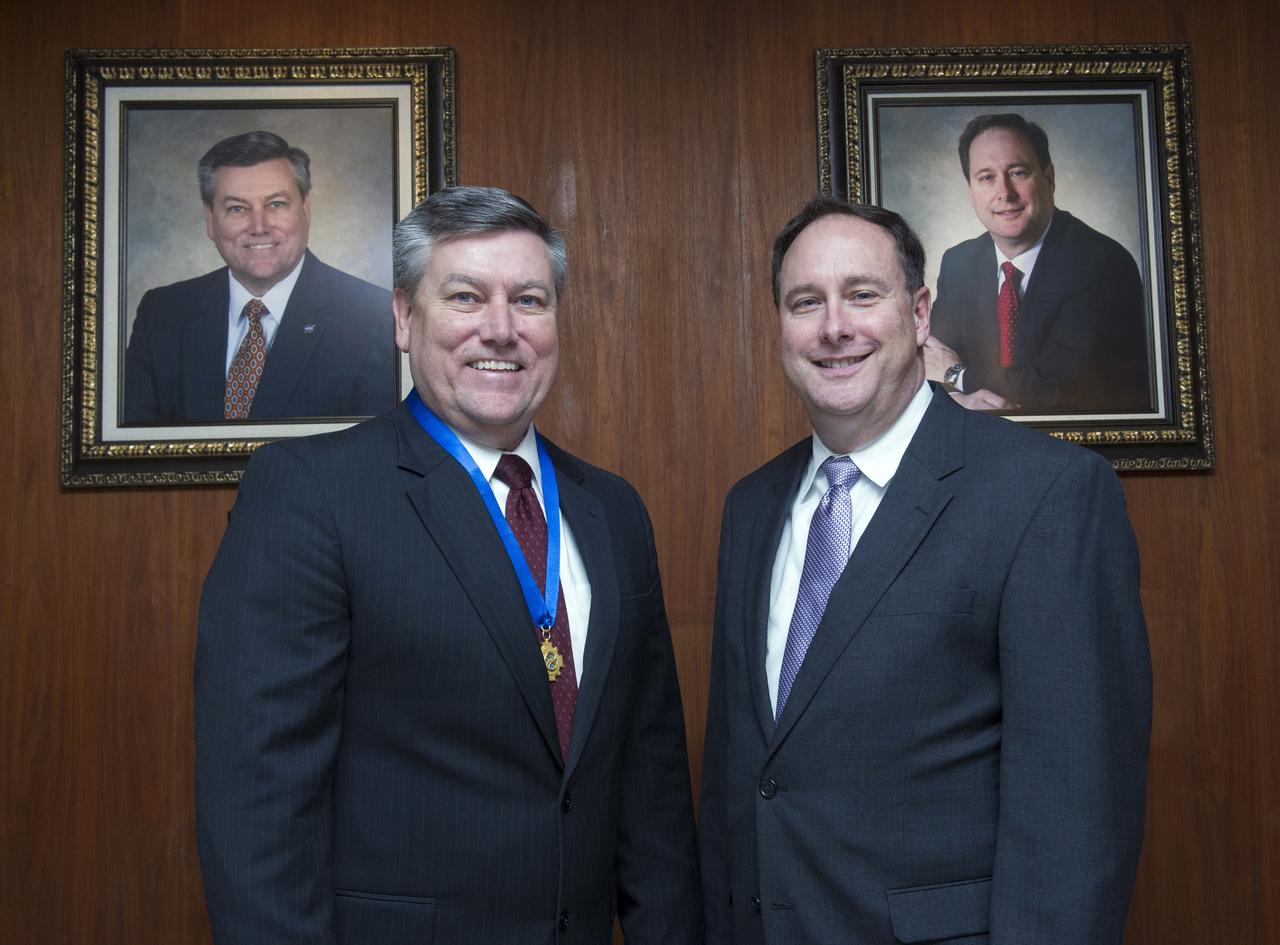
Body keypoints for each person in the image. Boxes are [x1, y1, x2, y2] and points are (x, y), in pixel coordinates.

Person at [195, 186, 702, 944]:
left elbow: (649, 781)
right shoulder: (312, 493)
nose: (501, 329)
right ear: (405, 318)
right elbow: (255, 805)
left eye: (528, 300)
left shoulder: (613, 510)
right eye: (466, 296)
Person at [700, 195, 1151, 944]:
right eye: (806, 302)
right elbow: (744, 775)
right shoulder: (752, 507)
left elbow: (1079, 809)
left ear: (918, 315)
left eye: (862, 295)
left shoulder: (1045, 493)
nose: (834, 326)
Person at [124, 131, 396, 423]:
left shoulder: (375, 318)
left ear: (305, 209)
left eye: (276, 204)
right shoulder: (161, 314)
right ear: (210, 220)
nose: (259, 226)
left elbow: (378, 445)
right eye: (237, 208)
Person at [925, 113, 1150, 412]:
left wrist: (957, 375)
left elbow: (1054, 390)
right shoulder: (959, 264)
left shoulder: (1103, 265)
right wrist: (959, 399)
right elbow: (926, 366)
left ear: (1048, 178)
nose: (1004, 193)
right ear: (971, 192)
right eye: (987, 178)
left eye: (1017, 172)